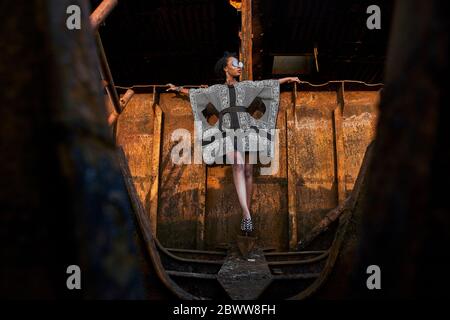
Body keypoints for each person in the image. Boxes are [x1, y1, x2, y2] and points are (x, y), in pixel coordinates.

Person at [167, 52, 300, 234]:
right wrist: (177, 88)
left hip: (247, 129)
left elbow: (268, 84)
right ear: (225, 68)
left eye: (240, 64)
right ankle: (246, 215)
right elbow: (196, 94)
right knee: (237, 163)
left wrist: (289, 78)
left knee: (248, 170)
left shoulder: (246, 86)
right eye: (235, 64)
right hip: (225, 132)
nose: (239, 67)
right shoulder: (215, 90)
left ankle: (247, 214)